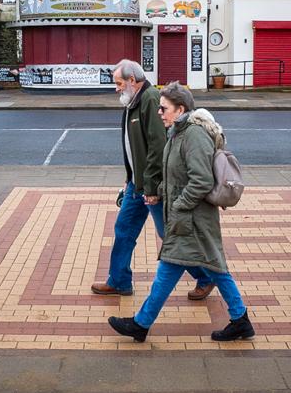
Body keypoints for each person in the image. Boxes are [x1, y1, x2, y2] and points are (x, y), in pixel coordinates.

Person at [108, 82, 255, 342]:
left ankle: (141, 325)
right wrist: (161, 191)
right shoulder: (178, 132)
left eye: (164, 109)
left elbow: (201, 180)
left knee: (188, 269)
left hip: (193, 219)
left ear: (180, 109)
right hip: (187, 218)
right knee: (212, 268)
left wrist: (178, 205)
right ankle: (240, 319)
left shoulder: (193, 135)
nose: (160, 113)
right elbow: (177, 175)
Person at [91, 61, 213, 299]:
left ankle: (207, 277)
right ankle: (119, 281)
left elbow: (158, 147)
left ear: (132, 81)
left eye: (118, 83)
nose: (115, 89)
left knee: (168, 236)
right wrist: (130, 179)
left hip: (152, 186)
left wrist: (151, 186)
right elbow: (135, 148)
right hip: (137, 185)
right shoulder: (132, 101)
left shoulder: (149, 100)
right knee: (124, 230)